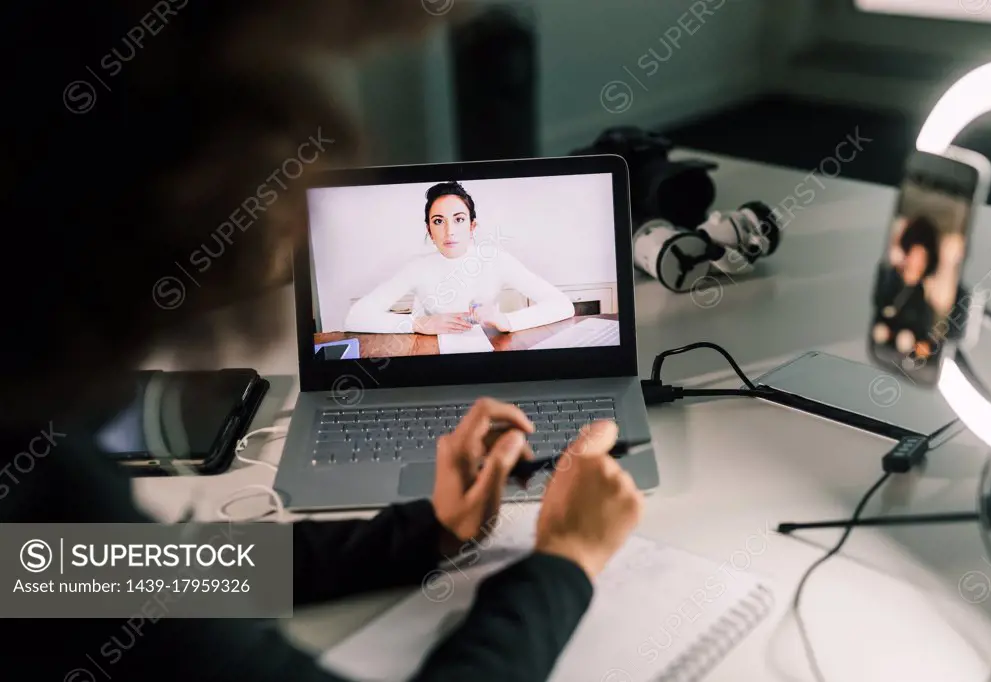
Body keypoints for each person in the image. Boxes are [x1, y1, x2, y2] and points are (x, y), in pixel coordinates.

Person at [2, 3, 644, 681]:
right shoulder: (44, 491)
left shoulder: (41, 491)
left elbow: (112, 574)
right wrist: (564, 564)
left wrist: (423, 534)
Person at [343, 181, 576, 335]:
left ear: (472, 225)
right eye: (438, 221)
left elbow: (562, 305)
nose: (449, 231)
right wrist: (417, 324)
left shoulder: (496, 260)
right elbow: (355, 317)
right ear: (429, 230)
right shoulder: (417, 268)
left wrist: (505, 321)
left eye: (459, 219)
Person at [872, 215, 941, 358]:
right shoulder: (890, 278)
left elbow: (926, 336)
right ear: (906, 255)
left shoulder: (922, 295)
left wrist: (922, 345)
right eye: (914, 256)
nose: (916, 263)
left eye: (922, 259)